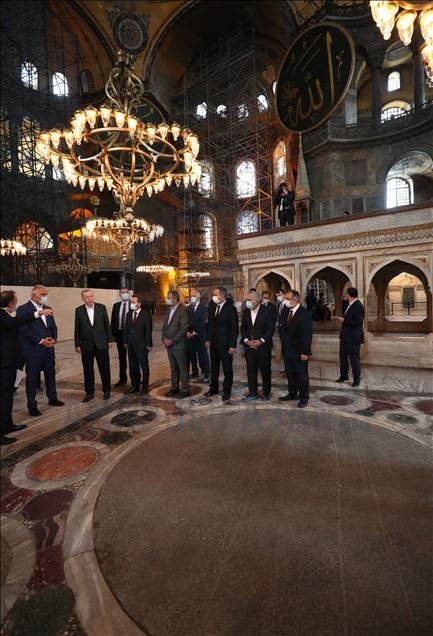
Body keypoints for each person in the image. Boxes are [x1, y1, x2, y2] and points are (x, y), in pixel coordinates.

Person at [1, 290, 53, 445]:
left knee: (7, 396)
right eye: (15, 301)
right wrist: (37, 313)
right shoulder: (2, 316)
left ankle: (8, 425)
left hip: (10, 362)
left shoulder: (5, 314)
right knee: (3, 397)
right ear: (10, 303)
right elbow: (17, 322)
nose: (16, 303)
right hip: (4, 364)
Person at [17, 285, 65, 416]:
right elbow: (24, 330)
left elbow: (53, 326)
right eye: (42, 294)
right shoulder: (23, 309)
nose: (45, 297)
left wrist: (53, 339)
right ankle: (32, 405)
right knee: (32, 378)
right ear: (34, 295)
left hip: (49, 349)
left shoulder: (47, 308)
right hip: (33, 350)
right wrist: (40, 341)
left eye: (46, 294)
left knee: (50, 374)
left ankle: (53, 398)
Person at [74, 289, 112, 402]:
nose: (89, 298)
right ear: (83, 298)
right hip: (86, 345)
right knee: (88, 370)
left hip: (101, 343)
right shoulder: (79, 310)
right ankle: (89, 393)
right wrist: (77, 344)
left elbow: (107, 324)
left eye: (91, 296)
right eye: (87, 297)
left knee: (104, 368)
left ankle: (107, 390)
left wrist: (109, 339)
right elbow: (77, 328)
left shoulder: (101, 308)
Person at [279, 290, 312, 408]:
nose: (286, 301)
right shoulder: (285, 311)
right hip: (287, 349)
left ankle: (304, 397)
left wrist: (305, 352)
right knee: (290, 373)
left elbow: (307, 335)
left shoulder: (305, 314)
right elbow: (282, 329)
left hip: (299, 351)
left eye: (288, 299)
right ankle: (292, 393)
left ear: (295, 300)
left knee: (302, 375)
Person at [205, 287, 238, 401]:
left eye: (215, 294)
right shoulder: (212, 306)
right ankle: (213, 388)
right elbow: (210, 325)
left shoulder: (231, 308)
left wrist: (233, 345)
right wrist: (208, 339)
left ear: (222, 296)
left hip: (226, 345)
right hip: (214, 344)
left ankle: (227, 391)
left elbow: (234, 328)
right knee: (214, 368)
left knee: (227, 369)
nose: (213, 296)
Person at [241, 290, 275, 401]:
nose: (247, 302)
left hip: (263, 347)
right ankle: (253, 393)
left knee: (265, 370)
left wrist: (261, 341)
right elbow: (243, 328)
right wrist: (246, 340)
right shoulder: (246, 312)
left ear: (257, 301)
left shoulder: (267, 310)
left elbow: (270, 328)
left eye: (249, 300)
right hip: (249, 346)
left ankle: (266, 393)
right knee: (250, 371)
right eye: (247, 299)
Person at [161, 290, 190, 398]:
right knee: (173, 368)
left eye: (169, 297)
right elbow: (165, 326)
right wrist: (164, 338)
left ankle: (185, 390)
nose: (168, 299)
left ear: (175, 298)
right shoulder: (169, 310)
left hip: (178, 345)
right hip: (169, 344)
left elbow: (183, 329)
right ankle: (174, 388)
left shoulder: (183, 310)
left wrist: (172, 340)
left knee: (182, 368)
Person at [335, 287, 365, 387]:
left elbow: (359, 322)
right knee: (343, 357)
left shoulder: (359, 306)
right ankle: (344, 375)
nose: (345, 296)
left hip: (353, 338)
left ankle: (357, 379)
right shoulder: (349, 304)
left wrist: (344, 320)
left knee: (354, 359)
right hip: (345, 336)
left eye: (346, 294)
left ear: (349, 295)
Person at [123, 294, 153, 395]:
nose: (131, 304)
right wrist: (125, 341)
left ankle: (145, 387)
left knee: (144, 366)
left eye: (133, 302)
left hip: (142, 345)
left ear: (139, 304)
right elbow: (126, 329)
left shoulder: (146, 314)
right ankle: (135, 385)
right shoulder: (128, 314)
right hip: (131, 344)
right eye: (131, 302)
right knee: (133, 366)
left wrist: (149, 344)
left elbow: (148, 330)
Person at [187, 289, 210, 383]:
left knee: (202, 355)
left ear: (199, 298)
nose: (191, 297)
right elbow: (188, 321)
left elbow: (202, 322)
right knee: (191, 354)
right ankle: (195, 371)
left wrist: (194, 332)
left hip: (200, 335)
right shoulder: (189, 308)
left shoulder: (203, 308)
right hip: (191, 336)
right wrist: (188, 332)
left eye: (193, 296)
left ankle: (206, 372)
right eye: (191, 296)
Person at [110, 287, 132, 387]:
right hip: (119, 334)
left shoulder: (133, 304)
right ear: (119, 294)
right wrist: (112, 335)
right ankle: (122, 378)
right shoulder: (116, 306)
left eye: (126, 292)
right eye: (123, 292)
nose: (125, 294)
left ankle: (135, 378)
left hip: (131, 335)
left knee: (133, 358)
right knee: (122, 358)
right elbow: (113, 321)